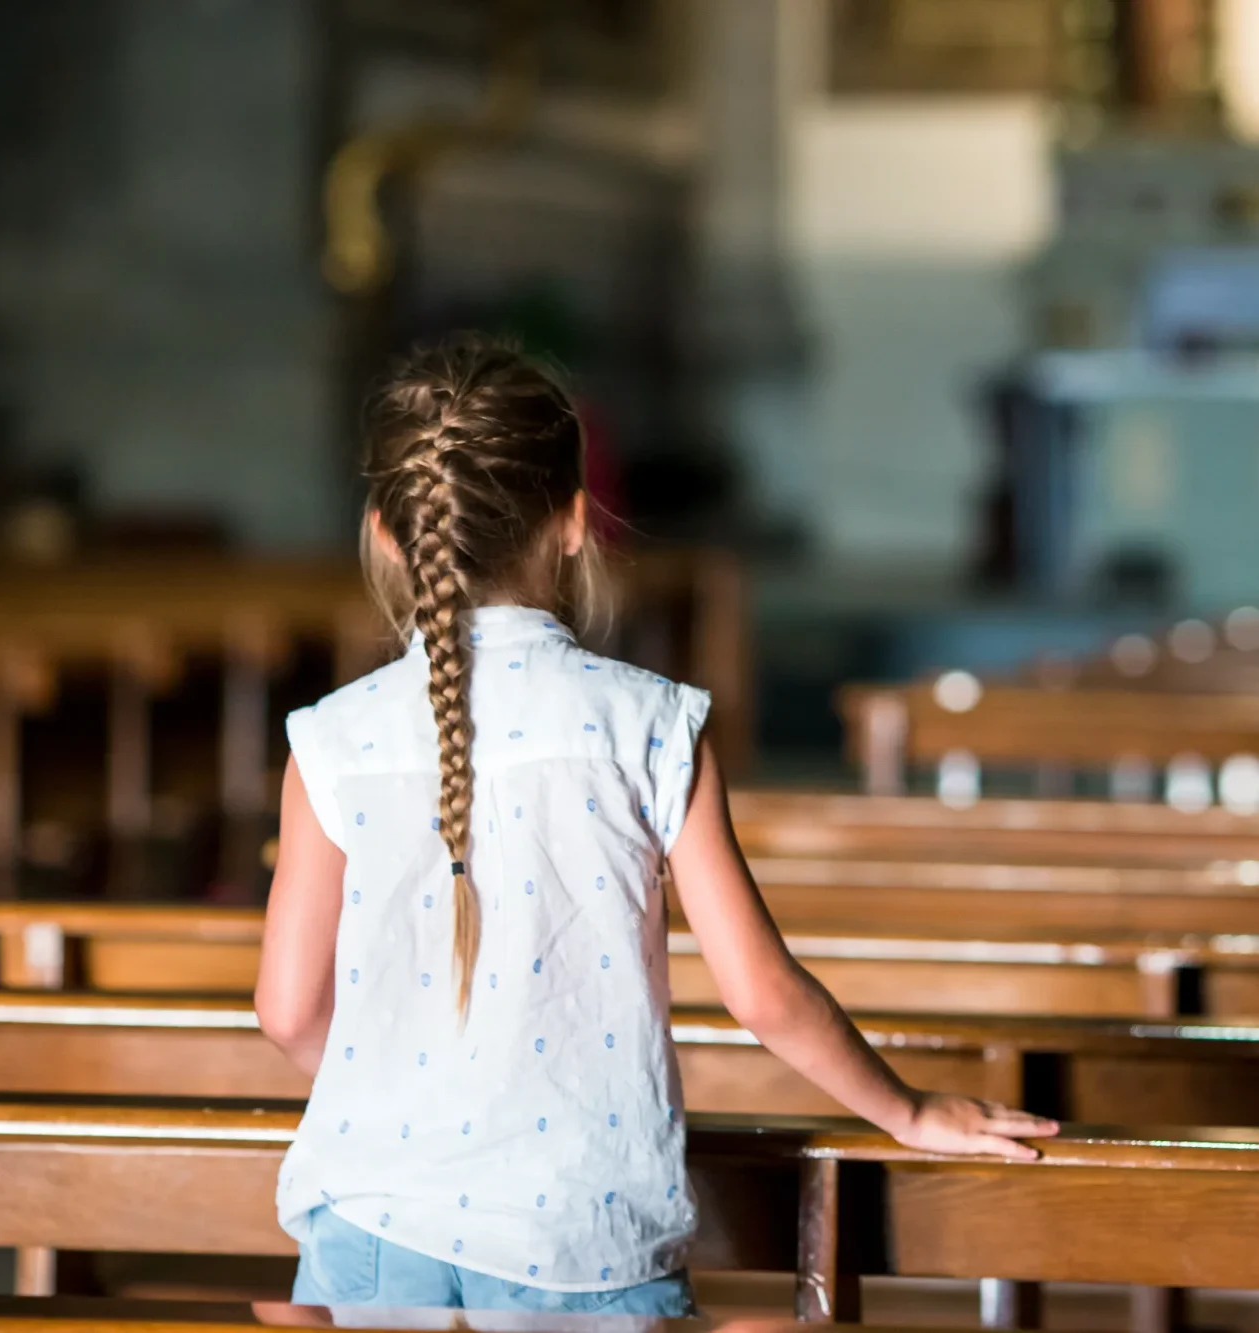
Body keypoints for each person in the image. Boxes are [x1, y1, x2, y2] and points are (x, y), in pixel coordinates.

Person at [255, 336, 1058, 1314]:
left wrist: (414, 1102)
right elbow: (760, 994)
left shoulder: (329, 740)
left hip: (366, 1220)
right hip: (580, 1232)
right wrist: (908, 1108)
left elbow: (290, 1013)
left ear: (386, 534)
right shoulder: (651, 725)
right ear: (574, 521)